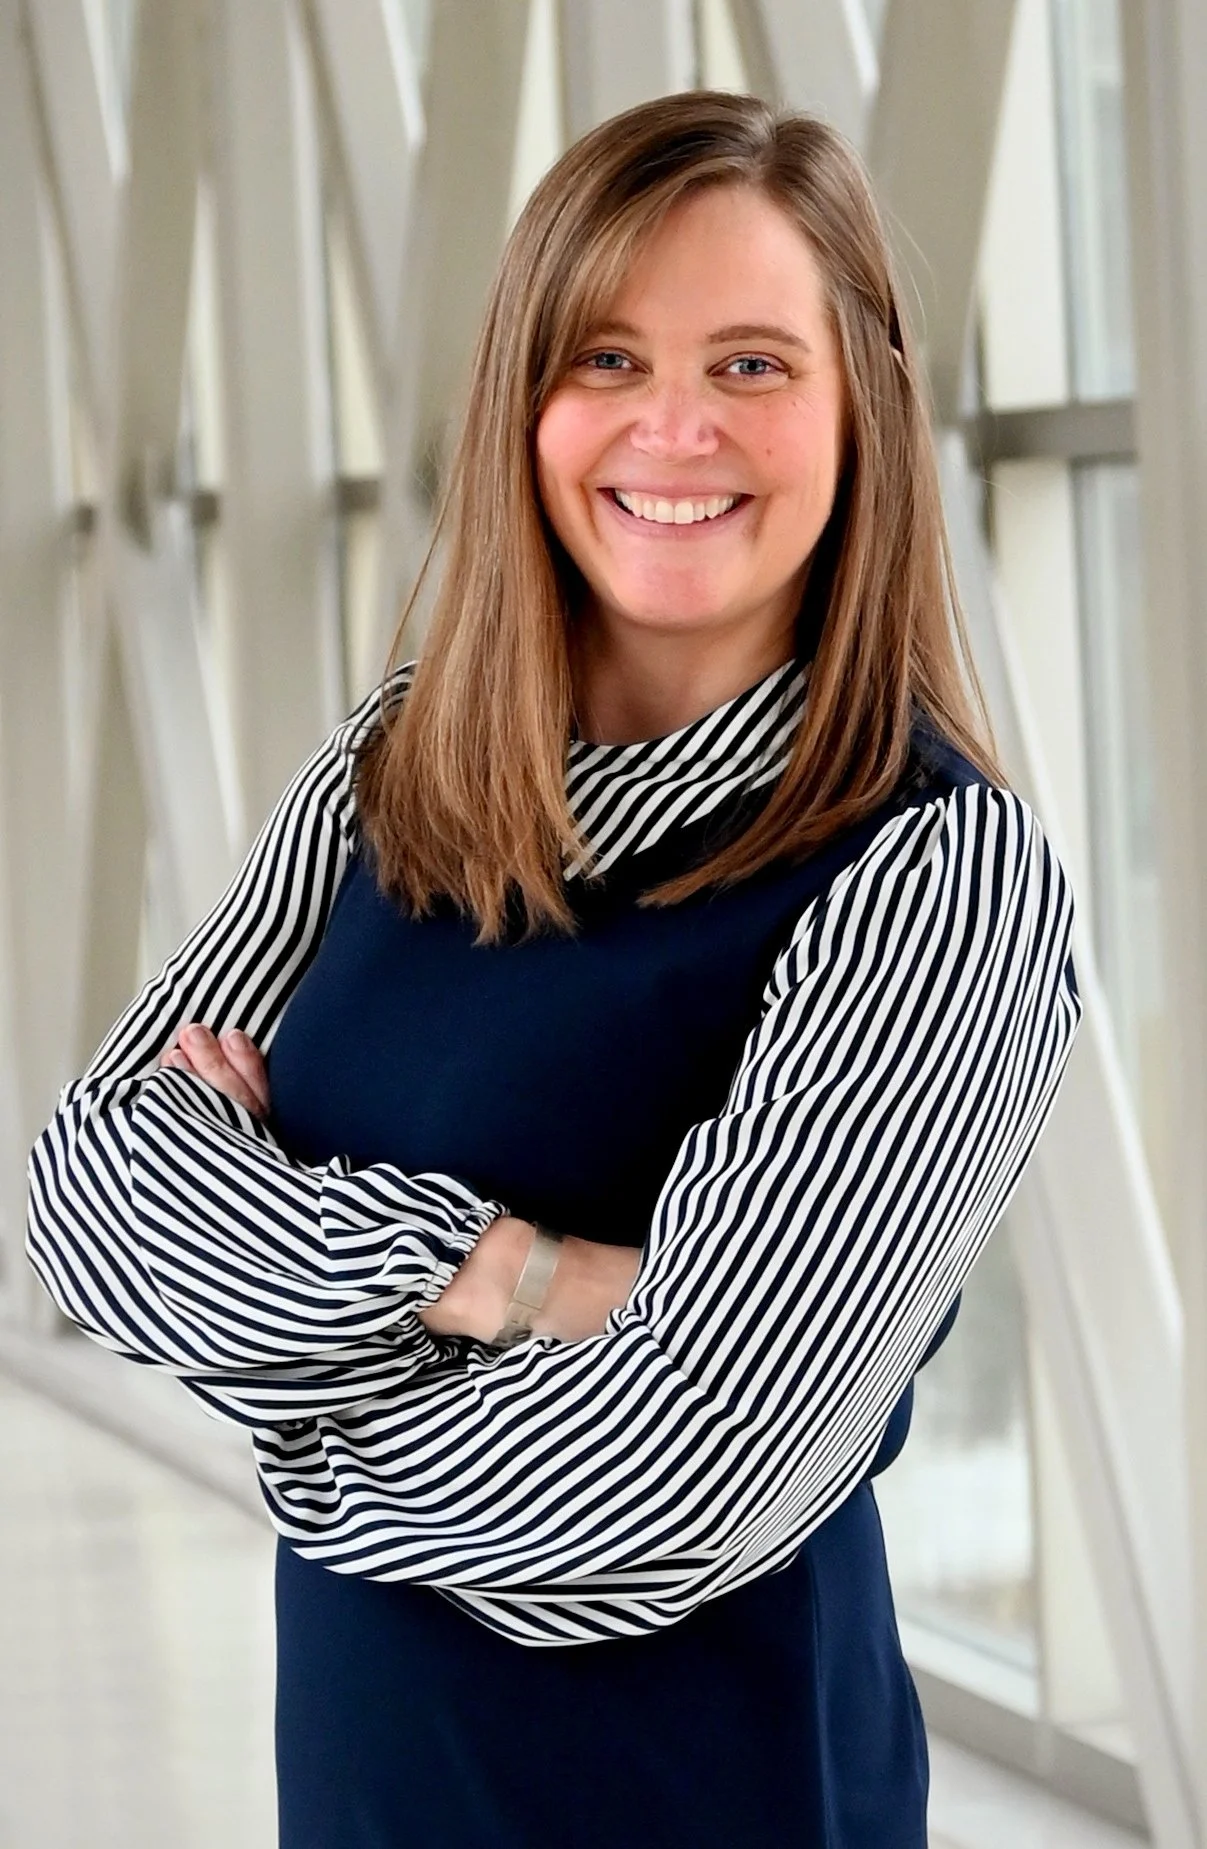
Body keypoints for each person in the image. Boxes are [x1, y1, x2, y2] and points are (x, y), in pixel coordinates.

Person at [26, 91, 1080, 1849]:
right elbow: (91, 1197)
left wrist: (283, 1383)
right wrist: (508, 1275)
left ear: (860, 414)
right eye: (605, 357)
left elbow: (684, 1485)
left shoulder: (928, 868)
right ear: (524, 399)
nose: (673, 428)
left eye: (752, 364)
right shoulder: (396, 774)